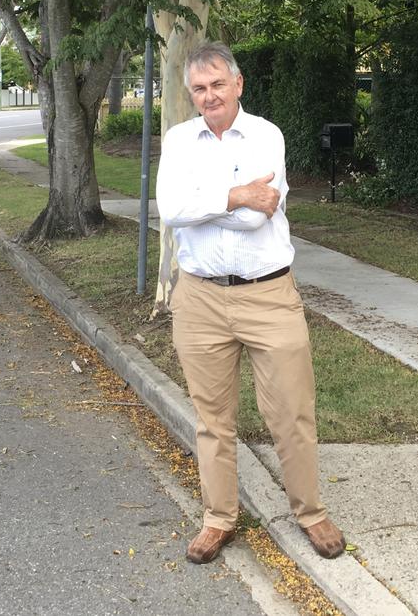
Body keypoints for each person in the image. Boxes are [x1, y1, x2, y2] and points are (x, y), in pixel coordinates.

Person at [156, 43, 346, 564]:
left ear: (238, 84)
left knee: (292, 412)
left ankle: (310, 512)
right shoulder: (178, 139)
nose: (209, 95)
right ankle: (218, 518)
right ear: (190, 93)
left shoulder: (266, 135)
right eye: (199, 88)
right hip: (198, 298)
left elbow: (258, 215)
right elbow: (171, 209)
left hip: (268, 295)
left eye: (218, 84)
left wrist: (210, 200)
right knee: (212, 418)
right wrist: (235, 193)